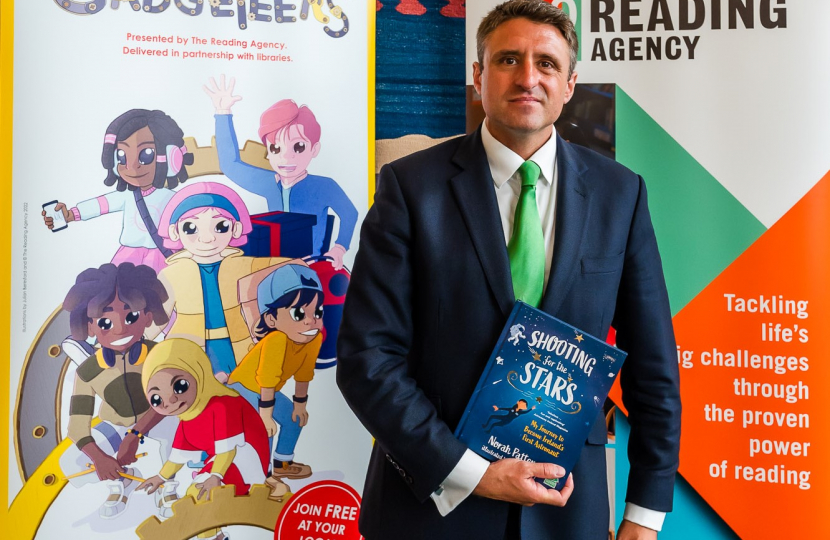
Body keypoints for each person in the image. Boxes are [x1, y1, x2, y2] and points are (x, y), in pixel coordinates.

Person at [335, 1, 681, 539]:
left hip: (567, 514)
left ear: (569, 84)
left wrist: (644, 514)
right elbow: (367, 360)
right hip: (430, 511)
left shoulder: (621, 195)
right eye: (507, 60)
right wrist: (472, 474)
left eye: (546, 63)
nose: (527, 78)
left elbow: (654, 369)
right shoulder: (409, 189)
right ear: (478, 77)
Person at [58, 263, 176, 519]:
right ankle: (122, 480)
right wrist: (100, 458)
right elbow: (77, 428)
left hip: (159, 419)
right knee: (69, 463)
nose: (121, 328)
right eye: (105, 321)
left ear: (147, 317)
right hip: (116, 426)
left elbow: (168, 402)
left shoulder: (160, 354)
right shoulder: (87, 371)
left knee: (181, 433)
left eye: (130, 316)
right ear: (89, 327)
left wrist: (134, 436)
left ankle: (167, 484)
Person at [203, 75, 359, 270]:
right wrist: (223, 112)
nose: (286, 158)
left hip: (310, 266)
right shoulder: (268, 182)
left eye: (298, 147)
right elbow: (229, 165)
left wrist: (340, 247)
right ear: (267, 151)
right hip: (273, 265)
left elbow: (350, 213)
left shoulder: (324, 186)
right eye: (276, 148)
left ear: (314, 149)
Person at [154, 181, 289, 383]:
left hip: (237, 345)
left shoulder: (243, 264)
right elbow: (159, 316)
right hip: (189, 347)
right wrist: (136, 338)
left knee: (242, 392)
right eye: (191, 227)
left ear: (236, 228)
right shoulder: (171, 274)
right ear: (175, 231)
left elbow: (281, 266)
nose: (207, 239)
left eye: (220, 226)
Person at [138, 338, 270, 540]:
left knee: (197, 493)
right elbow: (177, 456)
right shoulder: (187, 416)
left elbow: (229, 449)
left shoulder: (222, 405)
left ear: (198, 372)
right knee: (197, 494)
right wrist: (161, 477)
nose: (171, 401)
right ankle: (215, 536)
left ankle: (213, 536)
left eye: (180, 386)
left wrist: (215, 476)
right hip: (222, 459)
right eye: (157, 398)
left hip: (246, 456)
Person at [41, 109, 194, 273]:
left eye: (146, 154)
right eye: (121, 156)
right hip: (128, 256)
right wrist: (70, 215)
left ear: (172, 158)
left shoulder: (173, 199)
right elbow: (99, 205)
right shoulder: (127, 195)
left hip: (162, 258)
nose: (132, 166)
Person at [228, 263, 324, 498]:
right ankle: (263, 475)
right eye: (299, 313)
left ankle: (282, 464)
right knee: (265, 429)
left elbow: (304, 375)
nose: (310, 320)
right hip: (243, 387)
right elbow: (266, 378)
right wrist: (265, 415)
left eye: (317, 312)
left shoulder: (313, 340)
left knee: (294, 418)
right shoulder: (276, 340)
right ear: (271, 319)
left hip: (264, 391)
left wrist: (300, 404)